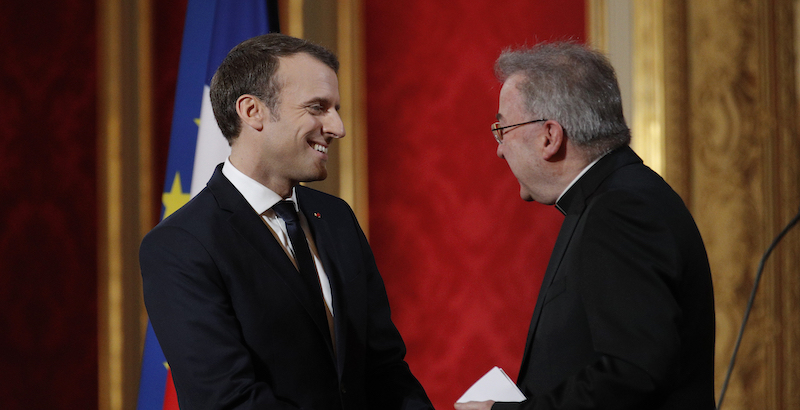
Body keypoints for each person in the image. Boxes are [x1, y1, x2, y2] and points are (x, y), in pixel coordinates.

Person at [140, 33, 433, 410]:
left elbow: (385, 370)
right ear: (252, 111)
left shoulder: (337, 218)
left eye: (336, 109)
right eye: (317, 108)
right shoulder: (182, 244)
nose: (338, 127)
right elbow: (228, 399)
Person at [455, 42, 715, 410]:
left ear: (549, 136)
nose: (499, 149)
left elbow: (633, 374)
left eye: (503, 128)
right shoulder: (611, 198)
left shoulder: (621, 209)